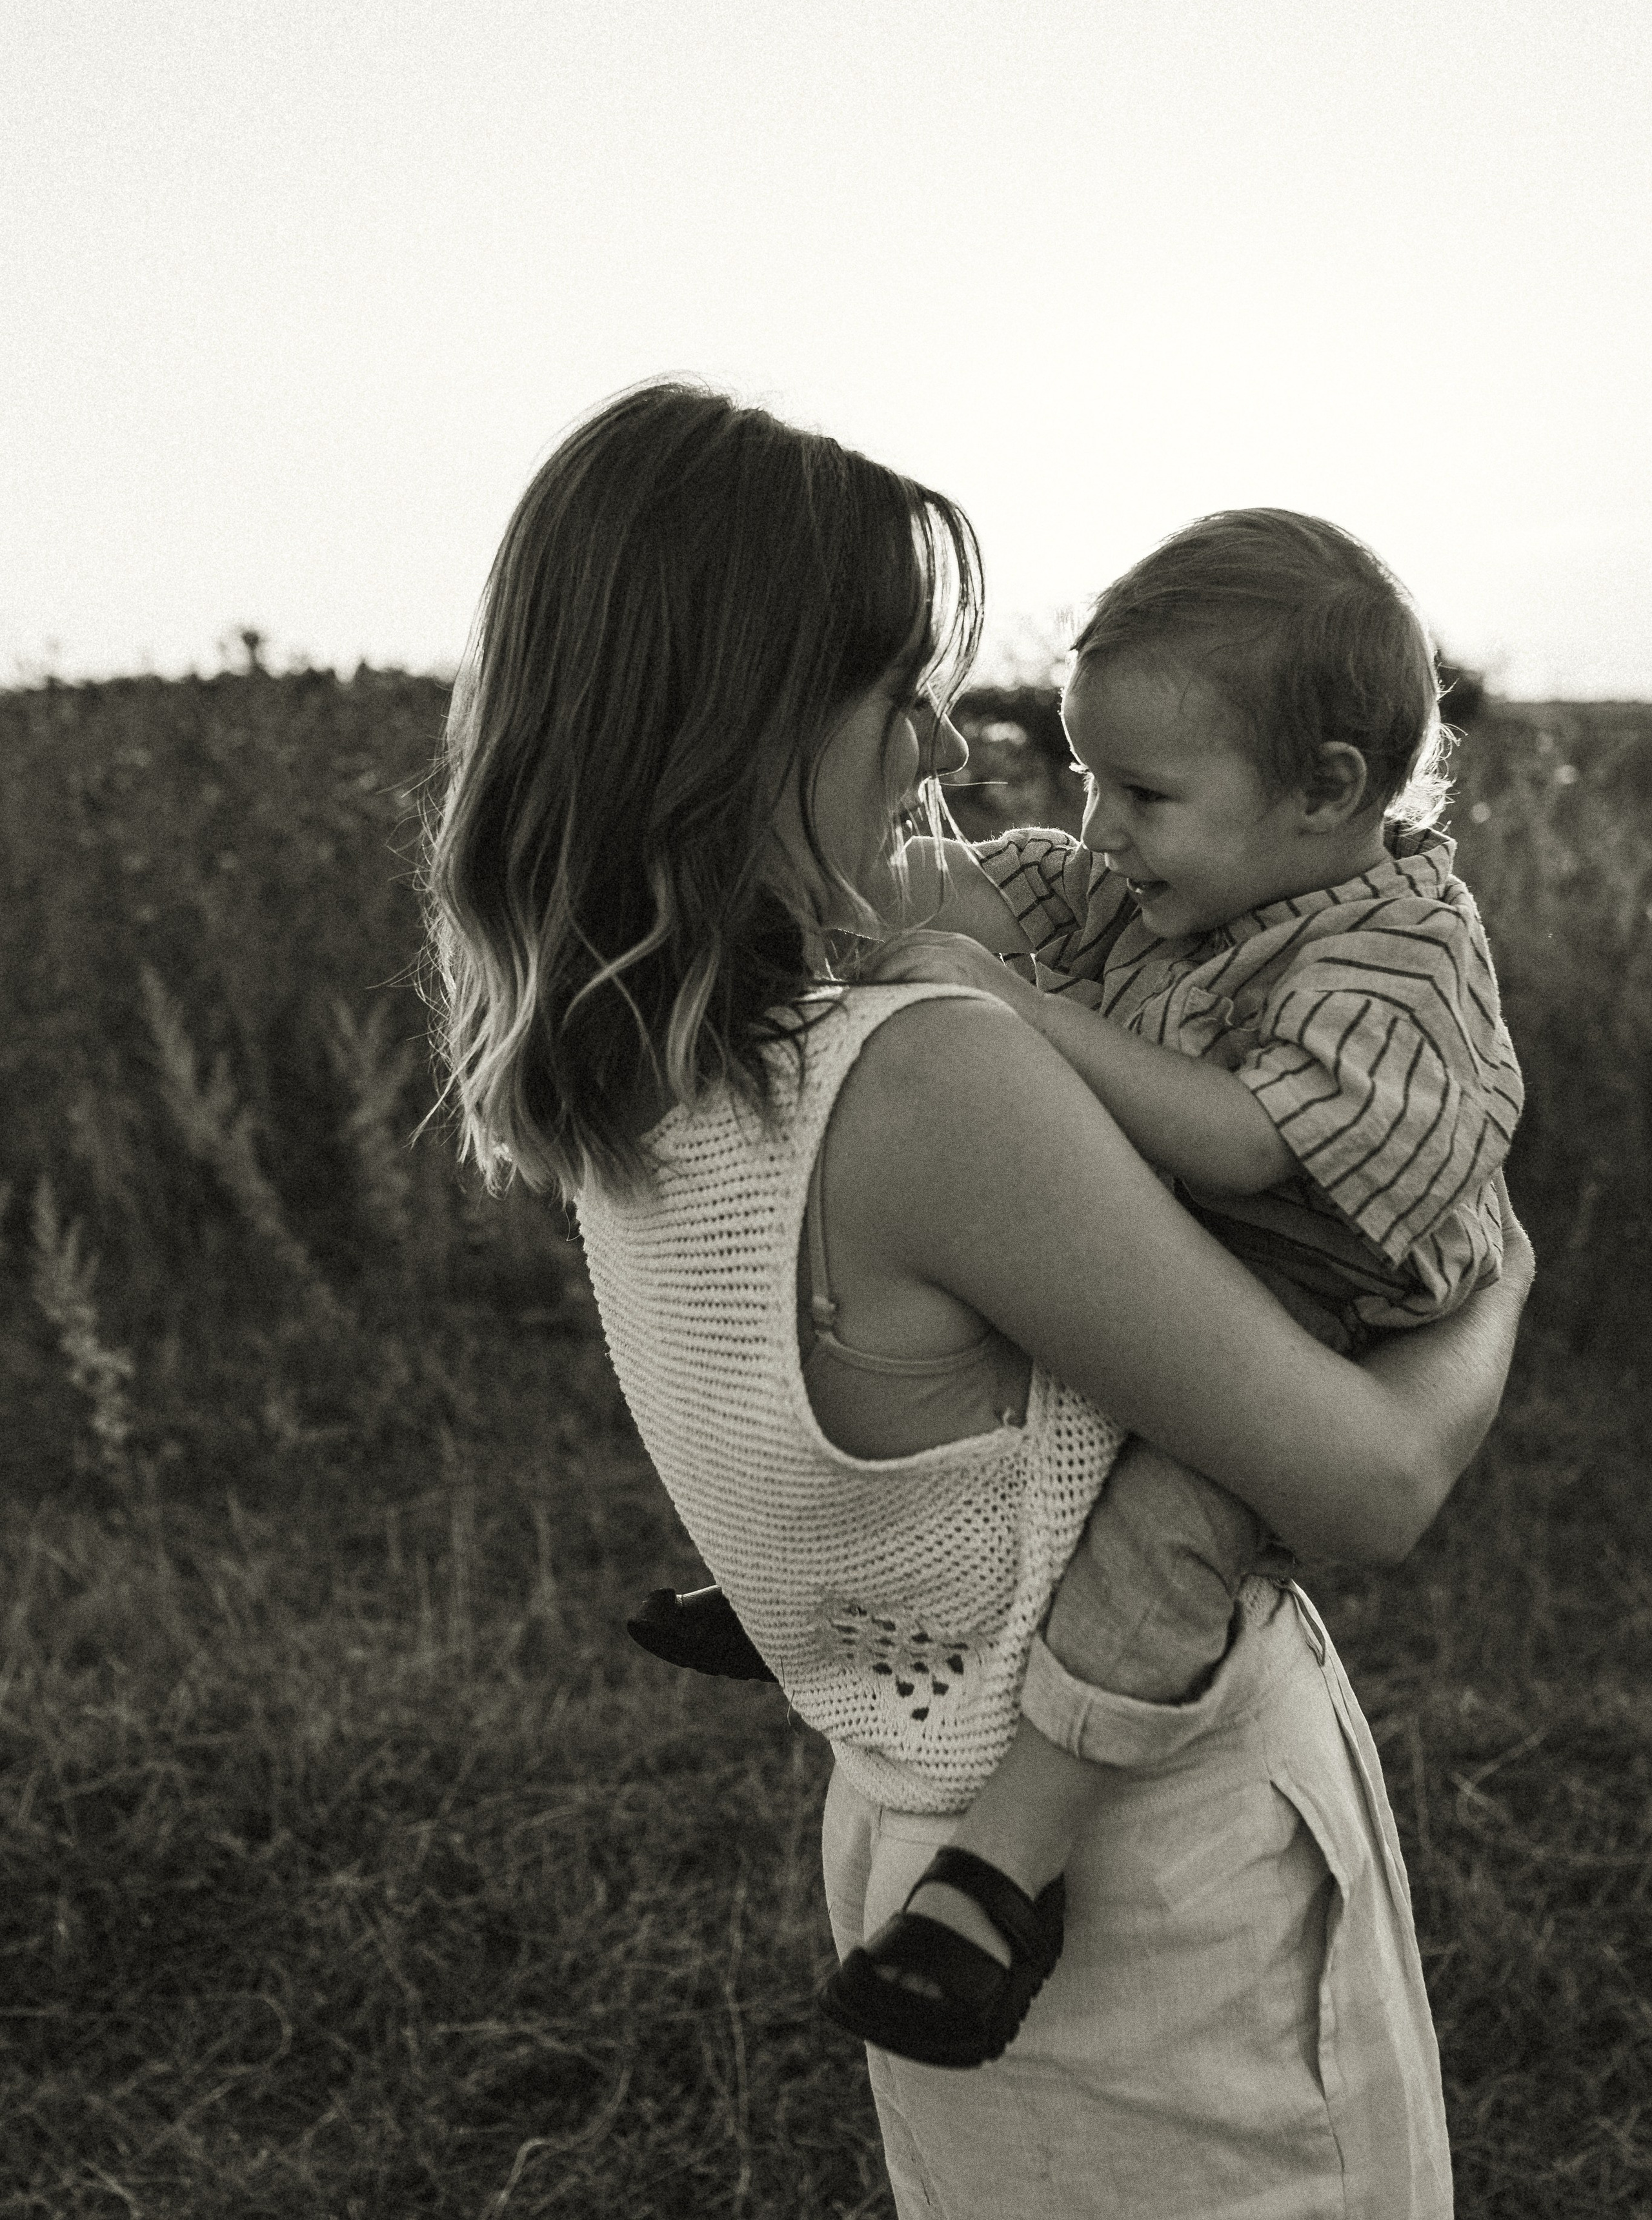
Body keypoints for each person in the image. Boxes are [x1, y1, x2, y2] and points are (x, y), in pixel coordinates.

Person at [421, 383, 1533, 2219]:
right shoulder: (931, 1079)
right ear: (750, 723)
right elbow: (1372, 1485)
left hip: (902, 1808)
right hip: (1163, 1909)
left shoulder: (643, 1065)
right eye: (893, 694)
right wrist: (1498, 1283)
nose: (941, 745)